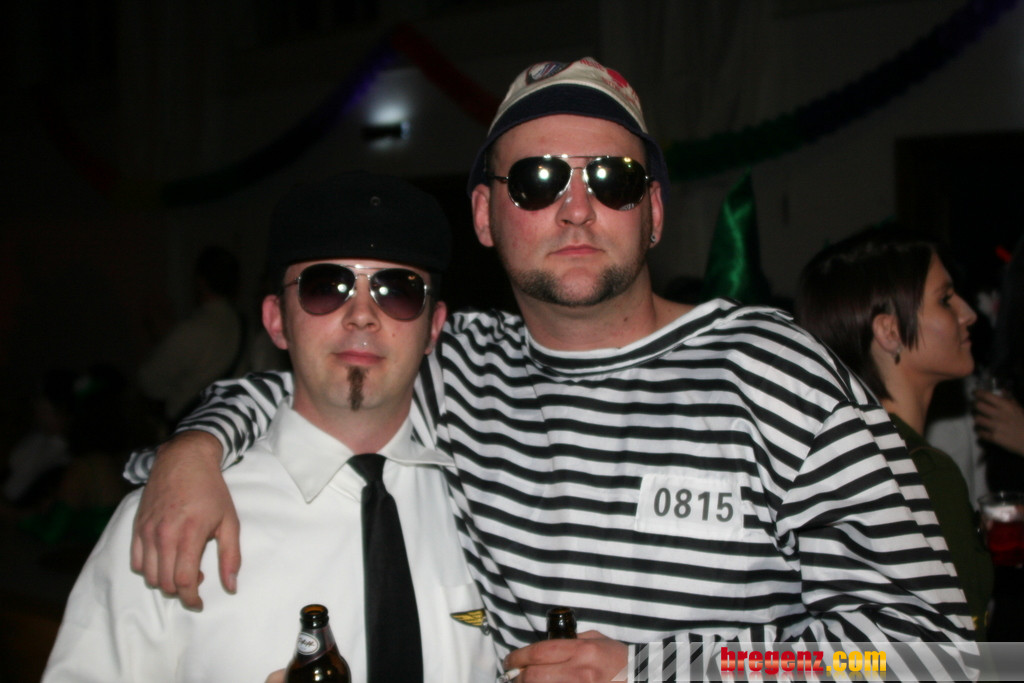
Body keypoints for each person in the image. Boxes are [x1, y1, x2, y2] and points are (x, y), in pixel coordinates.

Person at [126, 58, 975, 681]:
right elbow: (307, 384)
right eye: (535, 180)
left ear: (652, 211)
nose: (575, 207)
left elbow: (928, 649)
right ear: (485, 214)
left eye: (611, 178)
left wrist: (653, 668)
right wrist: (194, 447)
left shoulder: (772, 372)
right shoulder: (460, 366)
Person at [43, 173, 498, 682]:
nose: (362, 315)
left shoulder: (486, 510)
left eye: (397, 291)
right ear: (277, 319)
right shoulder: (170, 521)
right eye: (325, 287)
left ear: (433, 328)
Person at [794, 227, 994, 639]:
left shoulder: (828, 455)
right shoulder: (923, 472)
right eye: (945, 299)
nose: (968, 313)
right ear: (890, 332)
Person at [137, 245, 247, 430]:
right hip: (229, 423)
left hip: (189, 428)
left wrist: (161, 336)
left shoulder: (194, 328)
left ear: (200, 281)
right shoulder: (244, 324)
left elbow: (149, 382)